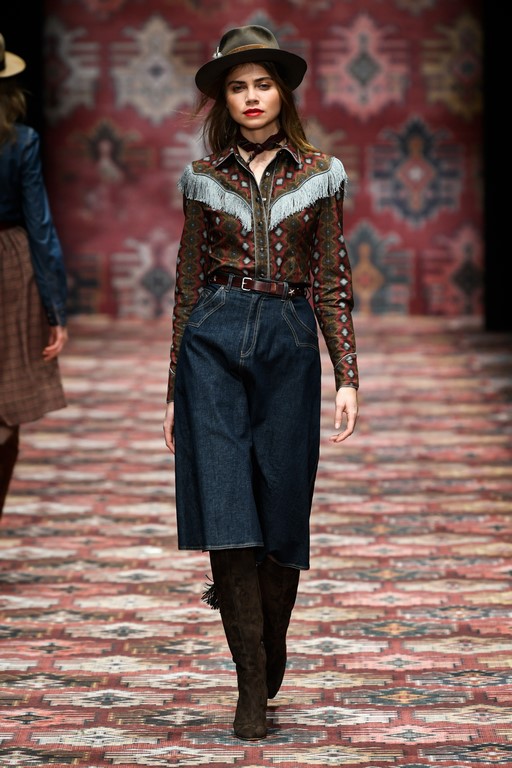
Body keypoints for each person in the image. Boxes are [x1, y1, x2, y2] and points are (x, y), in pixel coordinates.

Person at [163, 25, 359, 741]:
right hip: (212, 338)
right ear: (224, 99)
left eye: (262, 84)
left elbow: (332, 279)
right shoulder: (203, 178)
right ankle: (250, 685)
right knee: (225, 508)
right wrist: (171, 389)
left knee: (282, 509)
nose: (251, 97)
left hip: (288, 337)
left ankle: (271, 644)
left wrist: (347, 375)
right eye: (238, 86)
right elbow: (187, 282)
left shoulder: (321, 174)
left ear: (282, 92)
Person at [0, 34, 68, 516]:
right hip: (10, 266)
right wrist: (55, 310)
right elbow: (39, 227)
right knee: (8, 396)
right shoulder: (20, 140)